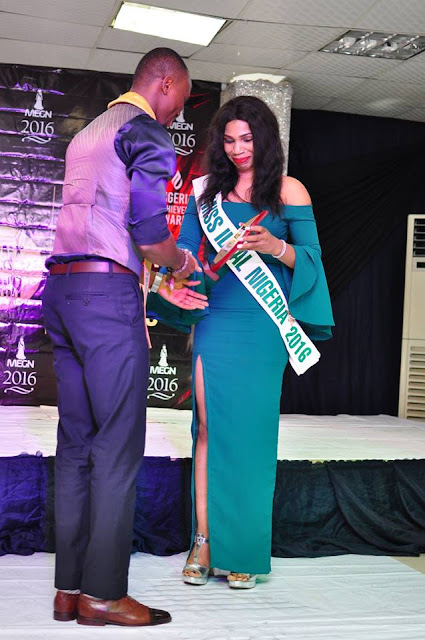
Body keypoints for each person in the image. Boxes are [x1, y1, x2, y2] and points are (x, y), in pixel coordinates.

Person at [42, 48, 207, 627]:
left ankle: (68, 591)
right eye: (180, 100)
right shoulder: (145, 132)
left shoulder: (87, 134)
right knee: (115, 448)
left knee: (76, 447)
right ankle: (103, 595)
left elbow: (98, 227)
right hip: (106, 304)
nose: (177, 114)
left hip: (62, 294)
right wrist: (181, 263)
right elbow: (147, 232)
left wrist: (154, 282)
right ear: (165, 82)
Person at [154, 95, 334, 589]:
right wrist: (179, 271)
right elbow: (186, 252)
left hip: (264, 326)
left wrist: (277, 247)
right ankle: (204, 541)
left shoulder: (289, 190)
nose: (237, 149)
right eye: (229, 140)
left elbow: (312, 259)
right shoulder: (206, 192)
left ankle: (245, 550)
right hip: (217, 319)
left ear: (265, 139)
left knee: (252, 437)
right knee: (208, 430)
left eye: (247, 139)